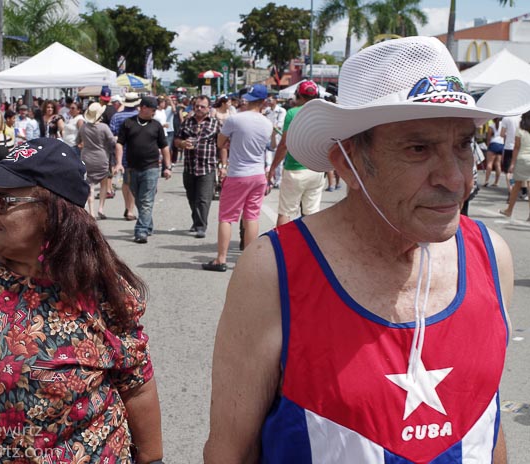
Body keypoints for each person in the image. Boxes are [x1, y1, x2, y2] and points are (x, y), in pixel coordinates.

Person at [204, 36, 528, 463]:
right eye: (419, 148)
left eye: (463, 145)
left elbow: (485, 423)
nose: (456, 179)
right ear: (347, 162)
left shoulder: (491, 257)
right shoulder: (275, 272)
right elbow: (231, 452)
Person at [0, 137, 163, 464]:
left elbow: (136, 384)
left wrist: (153, 460)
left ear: (54, 210)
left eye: (4, 202)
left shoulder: (100, 283)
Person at [202, 85, 272, 271]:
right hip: (258, 174)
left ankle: (221, 259)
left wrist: (232, 141)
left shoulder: (235, 119)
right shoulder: (267, 123)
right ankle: (247, 260)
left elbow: (220, 142)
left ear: (248, 100)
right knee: (252, 217)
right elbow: (269, 145)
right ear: (264, 102)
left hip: (238, 173)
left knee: (226, 217)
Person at [268, 80, 326, 226]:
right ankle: (311, 247)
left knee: (285, 212)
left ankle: (283, 246)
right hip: (316, 170)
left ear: (298, 95)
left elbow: (284, 145)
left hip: (295, 170)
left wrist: (273, 167)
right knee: (312, 213)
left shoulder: (292, 113)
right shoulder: (322, 113)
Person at [115, 96, 172, 243]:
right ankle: (148, 224)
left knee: (146, 200)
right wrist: (118, 163)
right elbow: (120, 144)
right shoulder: (128, 123)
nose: (154, 113)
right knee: (139, 199)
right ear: (144, 107)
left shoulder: (156, 126)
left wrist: (168, 166)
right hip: (132, 167)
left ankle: (141, 231)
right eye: (153, 110)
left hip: (151, 167)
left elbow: (164, 147)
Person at [175, 95, 222, 238]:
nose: (199, 109)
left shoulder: (215, 123)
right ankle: (196, 221)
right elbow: (177, 139)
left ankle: (201, 226)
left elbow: (222, 144)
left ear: (209, 108)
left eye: (202, 106)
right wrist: (182, 144)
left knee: (203, 198)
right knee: (192, 197)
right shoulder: (187, 122)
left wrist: (222, 164)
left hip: (207, 166)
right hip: (189, 166)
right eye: (197, 106)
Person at [79, 102, 117, 219]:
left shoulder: (83, 127)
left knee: (89, 184)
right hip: (102, 156)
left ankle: (91, 211)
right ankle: (101, 208)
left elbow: (77, 141)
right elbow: (112, 141)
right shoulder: (104, 127)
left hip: (86, 156)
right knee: (103, 183)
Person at [110, 93, 142, 221]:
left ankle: (127, 206)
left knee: (126, 181)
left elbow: (111, 135)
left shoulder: (116, 116)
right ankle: (130, 209)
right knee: (134, 182)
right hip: (136, 152)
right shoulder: (138, 117)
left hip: (121, 152)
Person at [500, 110, 530, 220]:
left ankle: (509, 210)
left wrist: (512, 163)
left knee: (516, 186)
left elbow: (516, 148)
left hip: (522, 159)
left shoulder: (520, 130)